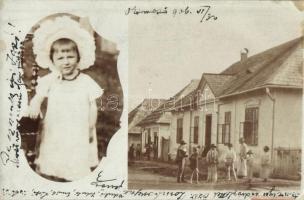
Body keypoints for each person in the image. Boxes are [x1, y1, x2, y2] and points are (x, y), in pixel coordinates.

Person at [28, 16, 103, 181]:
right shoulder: (51, 79)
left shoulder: (86, 81)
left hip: (79, 127)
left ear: (78, 57)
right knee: (54, 149)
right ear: (52, 60)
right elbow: (39, 96)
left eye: (70, 57)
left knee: (76, 152)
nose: (66, 62)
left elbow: (93, 106)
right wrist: (35, 104)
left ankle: (74, 174)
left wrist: (90, 127)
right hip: (56, 125)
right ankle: (52, 171)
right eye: (60, 58)